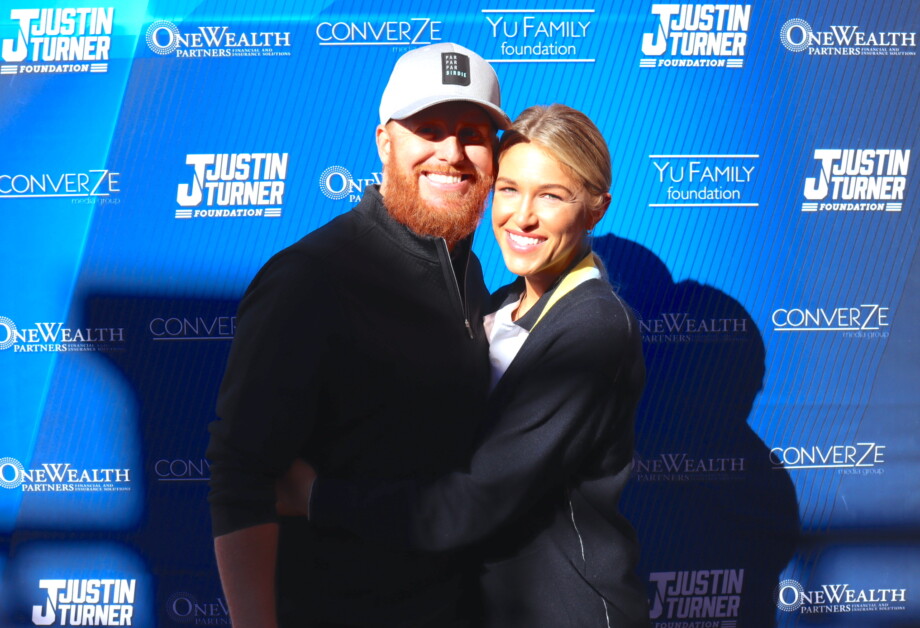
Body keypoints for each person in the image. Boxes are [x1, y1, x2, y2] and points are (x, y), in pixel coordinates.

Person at [289, 104, 651, 627]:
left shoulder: (593, 327)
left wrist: (316, 497)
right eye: (508, 188)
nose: (521, 216)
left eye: (551, 196)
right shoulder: (499, 301)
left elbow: (473, 502)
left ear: (596, 209)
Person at [206, 42, 511, 628]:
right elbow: (242, 475)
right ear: (385, 141)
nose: (453, 152)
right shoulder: (311, 278)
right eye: (429, 127)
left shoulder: (468, 272)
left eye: (473, 132)